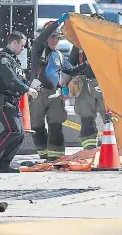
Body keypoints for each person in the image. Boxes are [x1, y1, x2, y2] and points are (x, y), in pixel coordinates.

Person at [29, 13, 89, 161]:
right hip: (38, 94)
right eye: (52, 37)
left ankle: (56, 158)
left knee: (55, 126)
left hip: (55, 95)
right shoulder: (37, 50)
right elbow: (43, 36)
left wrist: (86, 65)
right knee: (37, 127)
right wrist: (58, 22)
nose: (55, 40)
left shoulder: (59, 55)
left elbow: (70, 71)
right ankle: (44, 155)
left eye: (57, 38)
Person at [0, 31, 39, 173]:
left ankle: (5, 164)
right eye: (21, 45)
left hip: (12, 101)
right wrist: (27, 89)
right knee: (13, 130)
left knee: (20, 133)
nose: (23, 49)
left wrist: (29, 84)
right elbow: (10, 79)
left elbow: (18, 78)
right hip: (3, 101)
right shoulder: (3, 59)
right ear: (14, 43)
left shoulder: (13, 59)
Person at [68, 14, 107, 150]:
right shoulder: (79, 44)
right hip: (85, 85)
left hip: (105, 85)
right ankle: (89, 151)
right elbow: (70, 67)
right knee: (86, 120)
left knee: (109, 119)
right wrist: (64, 87)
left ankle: (113, 149)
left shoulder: (109, 43)